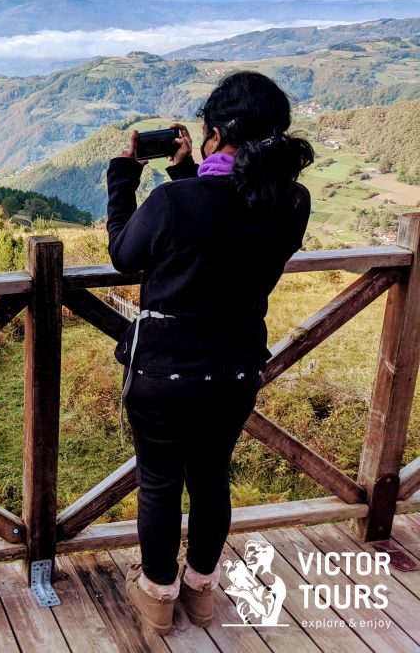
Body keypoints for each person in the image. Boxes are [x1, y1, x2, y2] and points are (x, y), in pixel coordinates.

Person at [105, 71, 313, 634]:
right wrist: (187, 171)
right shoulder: (292, 203)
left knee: (160, 482)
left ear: (216, 134)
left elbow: (127, 253)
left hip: (163, 373)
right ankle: (200, 592)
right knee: (211, 477)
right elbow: (226, 220)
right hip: (235, 369)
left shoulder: (176, 200)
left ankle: (157, 594)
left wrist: (125, 176)